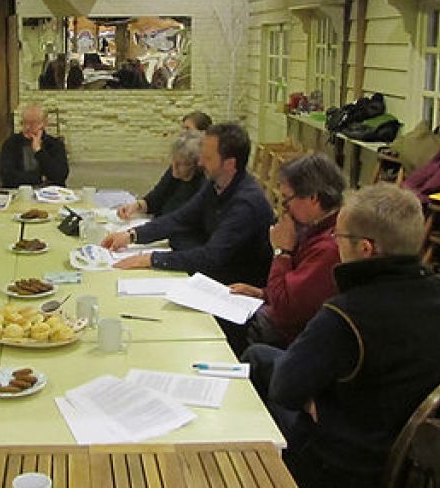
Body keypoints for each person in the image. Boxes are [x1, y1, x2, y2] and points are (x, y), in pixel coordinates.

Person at [249, 183, 440, 487]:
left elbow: (284, 389)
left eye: (339, 237)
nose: (335, 243)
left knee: (259, 365)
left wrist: (316, 402)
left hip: (348, 464)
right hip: (422, 463)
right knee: (263, 358)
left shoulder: (346, 315)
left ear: (365, 248)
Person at [102, 124, 275, 350]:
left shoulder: (246, 203)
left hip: (232, 293)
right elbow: (181, 217)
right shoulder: (216, 184)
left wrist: (151, 259)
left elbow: (212, 256)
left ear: (230, 164)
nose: (201, 162)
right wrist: (132, 235)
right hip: (210, 278)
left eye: (208, 157)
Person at [228, 153, 344, 349]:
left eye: (286, 200)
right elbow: (300, 293)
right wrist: (261, 294)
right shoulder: (315, 228)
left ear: (313, 198)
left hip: (292, 338)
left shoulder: (329, 248)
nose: (284, 210)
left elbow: (285, 310)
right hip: (281, 320)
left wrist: (282, 252)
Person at [117, 130, 203, 221]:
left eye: (180, 164)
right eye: (173, 161)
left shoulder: (202, 184)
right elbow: (154, 199)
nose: (174, 167)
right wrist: (136, 206)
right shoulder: (174, 172)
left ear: (196, 164)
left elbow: (184, 219)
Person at [0, 104, 69, 188]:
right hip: (20, 193)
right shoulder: (11, 144)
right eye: (24, 123)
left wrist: (39, 151)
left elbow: (59, 176)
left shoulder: (55, 144)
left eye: (33, 123)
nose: (27, 127)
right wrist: (40, 178)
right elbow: (8, 177)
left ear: (44, 123)